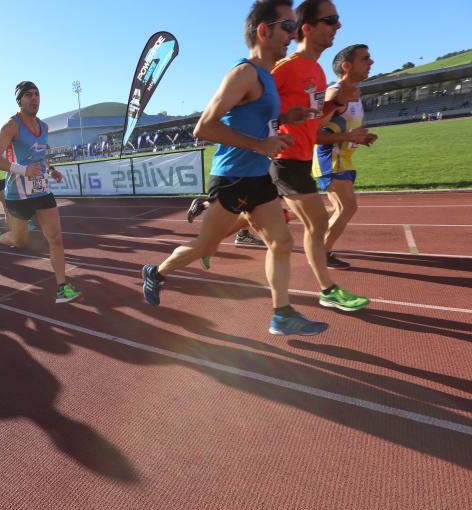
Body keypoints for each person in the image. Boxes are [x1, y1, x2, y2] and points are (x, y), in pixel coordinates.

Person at [142, 0, 327, 336]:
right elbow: (204, 128)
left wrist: (284, 119)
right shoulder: (243, 74)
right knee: (205, 248)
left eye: (293, 26)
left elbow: (253, 118)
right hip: (231, 178)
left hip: (258, 176)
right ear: (263, 30)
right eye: (286, 26)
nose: (293, 33)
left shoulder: (268, 77)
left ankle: (282, 314)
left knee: (282, 243)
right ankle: (156, 272)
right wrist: (260, 145)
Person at [270, 0, 369, 311]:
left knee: (295, 227)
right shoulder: (285, 68)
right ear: (307, 28)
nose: (338, 26)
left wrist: (332, 107)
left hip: (301, 157)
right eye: (331, 20)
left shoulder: (314, 70)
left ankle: (209, 228)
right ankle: (323, 290)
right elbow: (255, 110)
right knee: (315, 222)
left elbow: (314, 121)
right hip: (283, 158)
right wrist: (280, 124)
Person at [0, 81, 81, 304]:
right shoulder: (12, 125)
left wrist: (51, 170)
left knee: (55, 238)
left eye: (37, 94)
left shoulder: (44, 127)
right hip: (17, 194)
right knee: (19, 242)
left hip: (41, 189)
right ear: (20, 100)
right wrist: (23, 170)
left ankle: (61, 288)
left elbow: (40, 155)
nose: (34, 98)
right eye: (28, 95)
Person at [313, 44, 377, 269]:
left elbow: (342, 128)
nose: (371, 63)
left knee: (338, 209)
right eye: (366, 59)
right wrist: (350, 135)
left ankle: (318, 247)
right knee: (347, 207)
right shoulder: (335, 93)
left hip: (345, 159)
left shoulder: (355, 93)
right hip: (329, 160)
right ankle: (320, 253)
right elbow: (314, 133)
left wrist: (361, 136)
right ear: (347, 66)